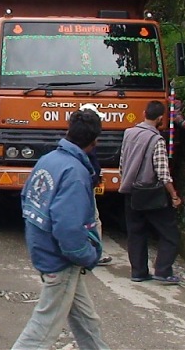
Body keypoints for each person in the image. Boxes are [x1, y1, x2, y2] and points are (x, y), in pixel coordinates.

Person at [12, 109, 108, 350]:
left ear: (69, 131)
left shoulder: (49, 160)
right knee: (42, 331)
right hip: (61, 260)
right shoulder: (76, 174)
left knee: (87, 321)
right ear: (95, 141)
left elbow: (27, 200)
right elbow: (68, 228)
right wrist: (87, 256)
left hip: (44, 249)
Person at [118, 101, 182, 285]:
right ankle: (162, 270)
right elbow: (162, 172)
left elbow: (122, 163)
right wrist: (174, 195)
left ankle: (138, 272)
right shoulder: (157, 140)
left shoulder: (128, 133)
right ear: (161, 118)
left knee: (136, 233)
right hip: (151, 193)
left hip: (130, 191)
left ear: (144, 113)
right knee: (169, 234)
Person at [78, 103, 113, 266]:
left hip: (86, 184)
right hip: (86, 186)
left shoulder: (81, 142)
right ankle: (93, 253)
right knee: (92, 219)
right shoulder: (87, 144)